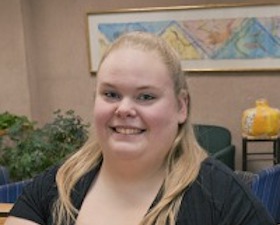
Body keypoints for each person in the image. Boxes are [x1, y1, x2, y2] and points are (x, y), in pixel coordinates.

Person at [5, 31, 275, 225]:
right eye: (110, 94)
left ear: (181, 106)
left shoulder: (221, 197)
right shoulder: (58, 186)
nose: (123, 109)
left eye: (146, 97)